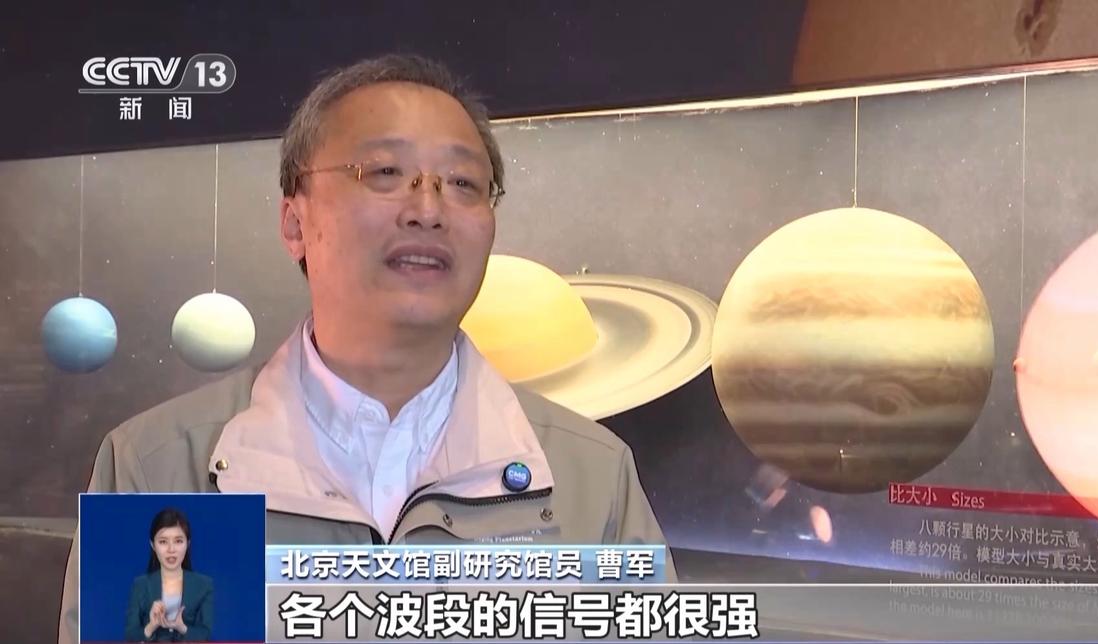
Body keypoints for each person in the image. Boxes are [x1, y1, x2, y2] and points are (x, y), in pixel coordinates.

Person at [58, 53, 674, 642]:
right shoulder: (162, 469)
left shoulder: (590, 477)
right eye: (384, 173)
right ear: (295, 223)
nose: (428, 209)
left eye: (463, 182)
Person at [125, 509, 213, 642]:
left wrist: (183, 628)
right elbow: (130, 635)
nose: (171, 549)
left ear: (188, 544)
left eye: (178, 541)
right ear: (153, 545)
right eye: (163, 542)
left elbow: (205, 633)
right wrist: (150, 627)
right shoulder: (140, 585)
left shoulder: (204, 585)